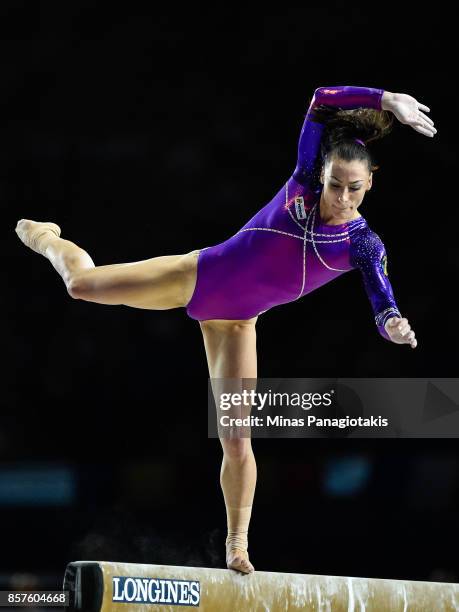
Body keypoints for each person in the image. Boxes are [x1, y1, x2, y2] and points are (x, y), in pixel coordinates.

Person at [15, 85, 436, 574]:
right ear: (320, 175)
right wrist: (386, 100)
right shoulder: (301, 182)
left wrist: (394, 326)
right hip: (198, 277)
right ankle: (45, 235)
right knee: (81, 286)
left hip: (237, 324)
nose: (342, 197)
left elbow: (383, 304)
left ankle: (238, 545)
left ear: (370, 184)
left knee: (237, 438)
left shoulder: (363, 244)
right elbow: (322, 99)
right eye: (335, 184)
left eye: (354, 188)